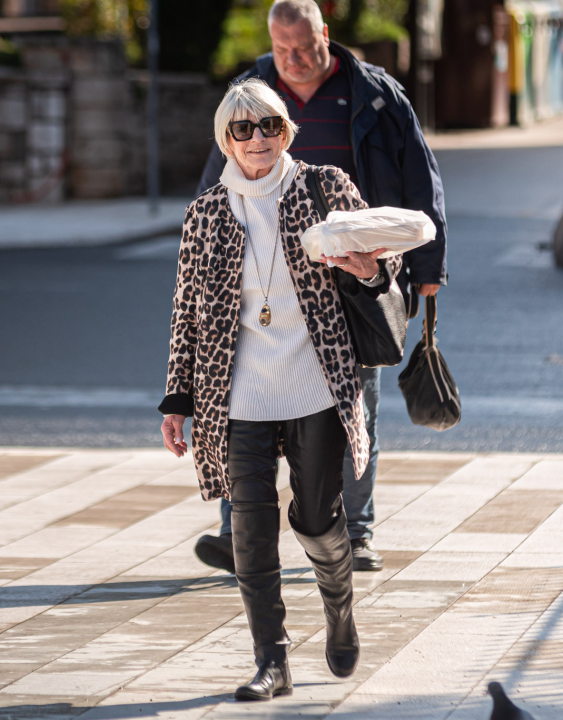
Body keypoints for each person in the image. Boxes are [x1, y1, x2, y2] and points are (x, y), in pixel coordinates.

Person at [159, 78, 399, 701]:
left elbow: (380, 263)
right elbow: (187, 310)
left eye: (269, 126)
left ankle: (339, 609)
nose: (258, 139)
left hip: (315, 388)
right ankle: (273, 659)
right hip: (236, 399)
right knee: (249, 531)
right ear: (227, 140)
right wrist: (177, 399)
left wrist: (371, 269)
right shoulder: (207, 213)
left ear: (286, 131)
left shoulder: (323, 188)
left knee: (320, 518)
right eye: (244, 129)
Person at [193, 0, 449, 575]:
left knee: (354, 409)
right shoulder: (252, 93)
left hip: (352, 282)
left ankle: (355, 534)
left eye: (305, 47)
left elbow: (420, 178)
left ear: (325, 36)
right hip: (267, 286)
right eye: (283, 50)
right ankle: (238, 531)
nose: (296, 59)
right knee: (248, 406)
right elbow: (218, 183)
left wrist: (429, 266)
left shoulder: (375, 94)